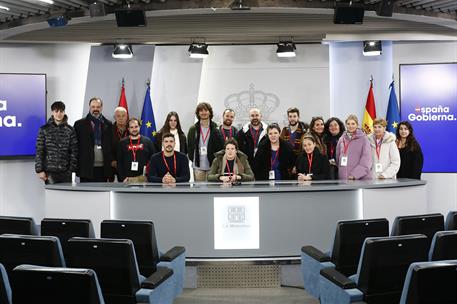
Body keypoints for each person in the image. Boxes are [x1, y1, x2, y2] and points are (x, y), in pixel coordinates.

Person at [35, 101, 78, 184]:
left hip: (66, 172)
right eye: (56, 111)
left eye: (61, 111)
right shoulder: (44, 129)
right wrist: (39, 170)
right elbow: (39, 150)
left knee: (66, 196)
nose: (59, 114)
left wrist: (71, 170)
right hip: (49, 172)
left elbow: (74, 151)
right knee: (52, 196)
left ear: (64, 112)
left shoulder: (70, 130)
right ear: (52, 112)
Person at [74, 97, 113, 182]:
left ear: (101, 107)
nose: (95, 109)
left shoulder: (108, 124)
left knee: (102, 194)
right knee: (86, 194)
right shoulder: (79, 124)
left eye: (98, 107)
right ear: (89, 107)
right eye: (93, 107)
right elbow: (75, 147)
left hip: (103, 168)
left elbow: (111, 145)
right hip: (86, 167)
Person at [187, 102, 224, 181]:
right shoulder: (193, 129)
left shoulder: (215, 128)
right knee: (199, 191)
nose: (204, 112)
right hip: (198, 167)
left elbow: (220, 147)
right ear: (198, 113)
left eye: (206, 110)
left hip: (212, 167)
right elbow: (189, 147)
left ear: (210, 112)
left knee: (212, 190)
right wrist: (193, 159)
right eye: (201, 110)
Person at [117, 118, 157, 183]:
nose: (134, 129)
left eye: (136, 126)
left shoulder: (148, 141)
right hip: (127, 180)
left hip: (143, 179)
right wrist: (122, 178)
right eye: (131, 127)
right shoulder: (122, 143)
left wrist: (148, 176)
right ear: (128, 129)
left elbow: (153, 160)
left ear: (140, 127)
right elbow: (119, 162)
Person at [336, 114, 372, 180]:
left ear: (357, 125)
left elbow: (366, 160)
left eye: (353, 124)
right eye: (348, 124)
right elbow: (338, 158)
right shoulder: (341, 139)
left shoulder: (364, 139)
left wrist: (355, 175)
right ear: (346, 125)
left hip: (359, 178)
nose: (350, 126)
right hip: (343, 178)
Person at [111, 107, 129, 181]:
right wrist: (112, 160)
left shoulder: (132, 129)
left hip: (128, 164)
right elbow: (106, 147)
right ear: (114, 117)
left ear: (127, 116)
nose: (121, 118)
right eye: (118, 116)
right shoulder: (108, 129)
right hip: (113, 165)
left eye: (123, 115)